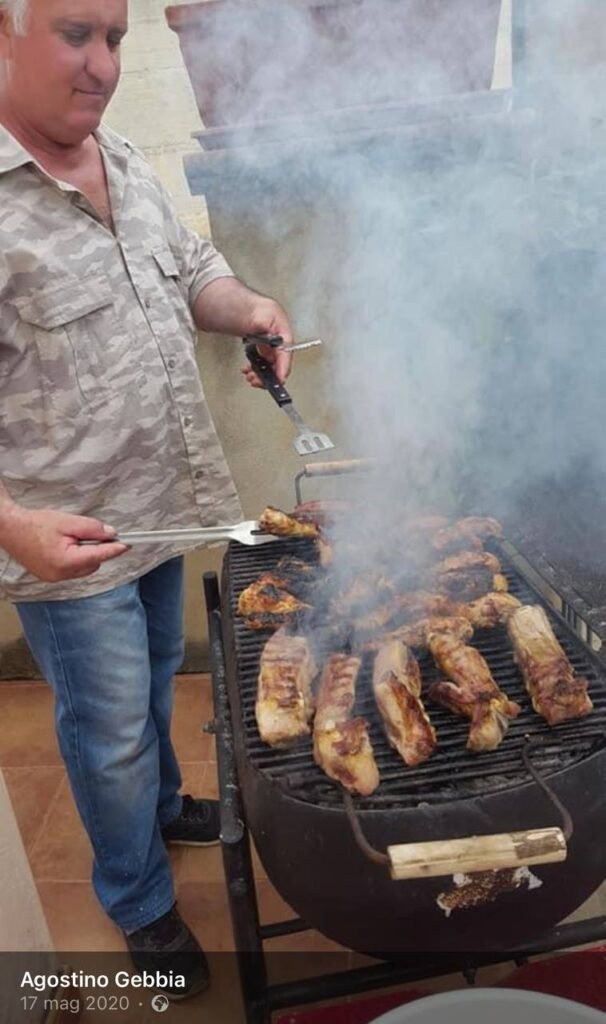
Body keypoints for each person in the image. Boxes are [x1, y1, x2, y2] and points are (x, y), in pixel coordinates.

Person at [0, 0, 293, 1001]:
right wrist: (13, 529)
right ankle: (137, 897)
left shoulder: (123, 158)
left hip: (166, 504)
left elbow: (195, 273)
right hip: (70, 544)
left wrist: (249, 307)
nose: (103, 64)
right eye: (75, 34)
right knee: (111, 727)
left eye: (117, 39)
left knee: (161, 678)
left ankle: (162, 808)